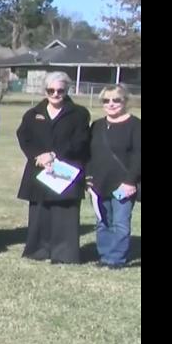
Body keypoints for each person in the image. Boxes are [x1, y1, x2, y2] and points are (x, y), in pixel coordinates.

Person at [15, 72, 91, 264]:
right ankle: (38, 250)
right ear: (45, 90)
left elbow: (80, 140)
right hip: (40, 168)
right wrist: (37, 156)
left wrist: (55, 154)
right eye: (51, 90)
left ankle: (64, 253)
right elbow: (24, 137)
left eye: (60, 90)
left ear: (67, 90)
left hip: (67, 168)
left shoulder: (79, 113)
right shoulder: (33, 114)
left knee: (64, 212)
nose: (56, 94)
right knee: (40, 211)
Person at [85, 84, 139, 269]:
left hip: (123, 185)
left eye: (116, 100)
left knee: (120, 223)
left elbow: (139, 156)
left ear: (125, 101)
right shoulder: (97, 125)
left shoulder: (135, 125)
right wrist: (89, 178)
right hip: (99, 183)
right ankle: (105, 255)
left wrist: (131, 181)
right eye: (106, 100)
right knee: (102, 222)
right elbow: (90, 154)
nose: (111, 104)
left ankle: (116, 259)